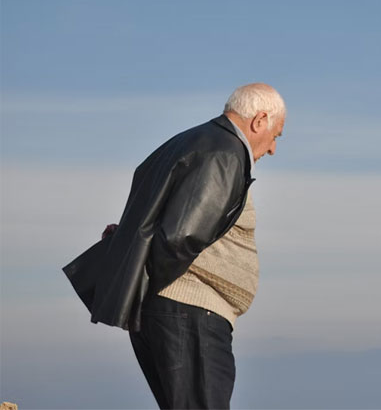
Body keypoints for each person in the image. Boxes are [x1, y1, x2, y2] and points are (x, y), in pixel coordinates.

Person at [63, 83, 286, 409]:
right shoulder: (226, 153)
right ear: (259, 120)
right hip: (189, 312)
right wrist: (153, 286)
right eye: (276, 135)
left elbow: (154, 221)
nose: (272, 149)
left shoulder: (183, 144)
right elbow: (179, 237)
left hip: (170, 312)